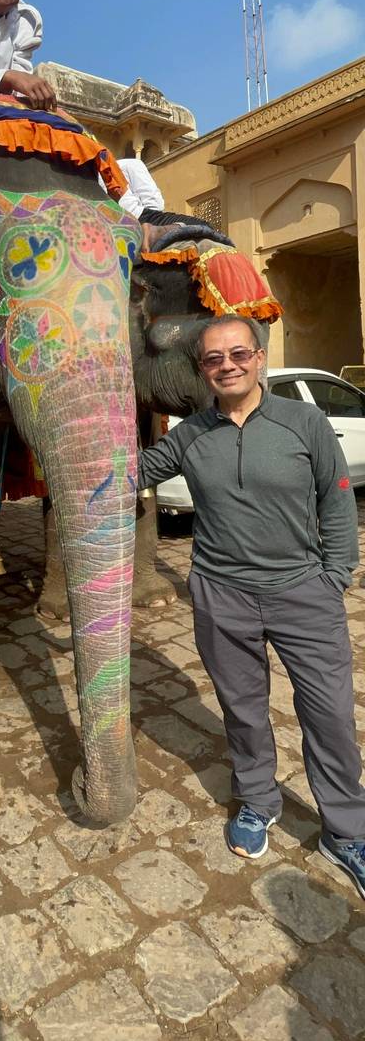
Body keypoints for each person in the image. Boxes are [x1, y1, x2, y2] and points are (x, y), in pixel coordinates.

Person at [138, 314, 365, 894]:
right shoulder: (191, 434)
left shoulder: (303, 422)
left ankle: (346, 831)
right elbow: (133, 471)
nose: (227, 365)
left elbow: (338, 504)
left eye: (238, 353)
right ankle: (257, 800)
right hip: (222, 596)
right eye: (214, 358)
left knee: (331, 716)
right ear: (203, 370)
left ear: (258, 357)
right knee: (241, 709)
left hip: (302, 594)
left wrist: (333, 577)